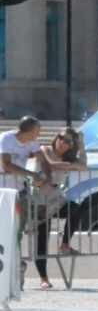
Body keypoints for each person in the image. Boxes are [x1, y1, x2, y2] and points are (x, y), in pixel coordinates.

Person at [1, 117, 52, 287]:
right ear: (28, 130)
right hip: (2, 192)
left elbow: (44, 161)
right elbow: (7, 165)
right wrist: (32, 175)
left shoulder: (32, 143)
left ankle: (15, 269)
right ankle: (12, 267)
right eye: (37, 130)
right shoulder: (6, 139)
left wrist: (45, 177)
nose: (39, 133)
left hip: (19, 193)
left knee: (16, 231)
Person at [39, 128, 88, 261]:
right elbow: (52, 165)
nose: (61, 142)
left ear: (71, 145)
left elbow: (84, 167)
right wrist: (70, 165)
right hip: (40, 200)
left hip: (55, 199)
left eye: (66, 141)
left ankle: (65, 245)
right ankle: (44, 278)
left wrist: (82, 146)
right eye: (60, 137)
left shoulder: (68, 158)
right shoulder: (46, 149)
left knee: (76, 209)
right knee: (42, 241)